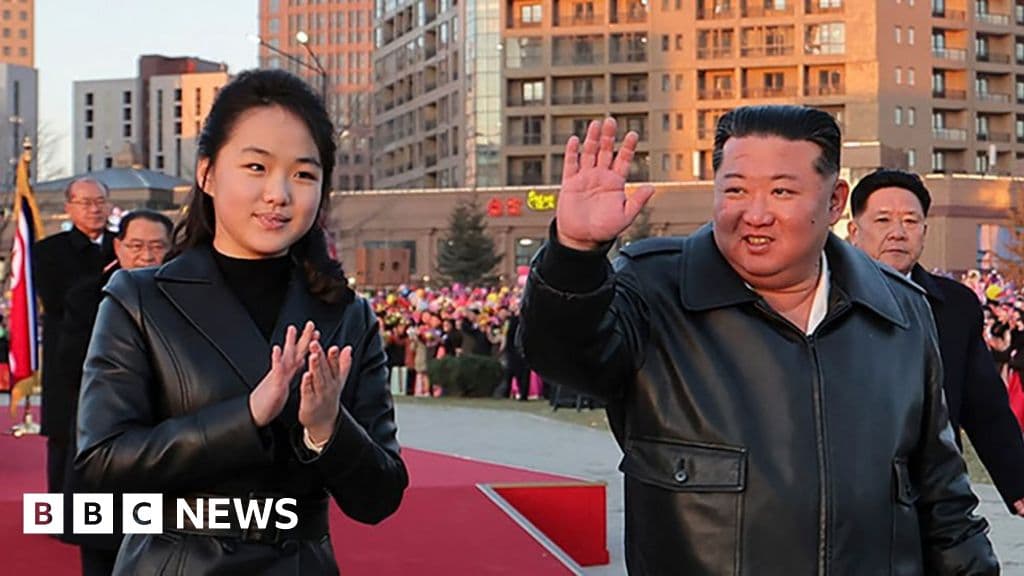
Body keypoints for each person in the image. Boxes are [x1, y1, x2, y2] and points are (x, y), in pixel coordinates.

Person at [519, 106, 998, 574]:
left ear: (834, 202)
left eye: (782, 191)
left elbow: (942, 498)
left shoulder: (899, 311)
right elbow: (563, 356)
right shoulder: (655, 289)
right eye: (736, 190)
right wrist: (574, 254)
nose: (755, 213)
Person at [75, 69, 408, 575]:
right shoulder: (139, 299)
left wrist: (326, 429)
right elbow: (99, 468)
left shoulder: (347, 315)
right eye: (256, 166)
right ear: (207, 173)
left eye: (303, 174)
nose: (279, 193)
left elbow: (379, 498)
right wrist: (247, 415)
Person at [847, 168, 1024, 516]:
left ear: (924, 232)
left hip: (935, 491)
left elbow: (984, 405)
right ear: (854, 231)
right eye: (882, 220)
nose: (898, 233)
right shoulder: (823, 299)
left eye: (910, 221)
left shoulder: (955, 306)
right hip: (849, 489)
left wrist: (1018, 484)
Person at [57, 210, 172, 575]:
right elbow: (73, 364)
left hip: (168, 450)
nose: (146, 256)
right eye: (136, 246)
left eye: (157, 247)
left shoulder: (192, 300)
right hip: (106, 447)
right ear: (118, 247)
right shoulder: (86, 297)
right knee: (102, 558)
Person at [33, 177, 113, 497]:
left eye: (100, 202)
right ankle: (59, 507)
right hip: (67, 353)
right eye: (85, 202)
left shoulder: (122, 244)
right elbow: (56, 300)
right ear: (69, 207)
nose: (94, 209)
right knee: (64, 434)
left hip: (115, 348)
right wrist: (102, 279)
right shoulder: (48, 250)